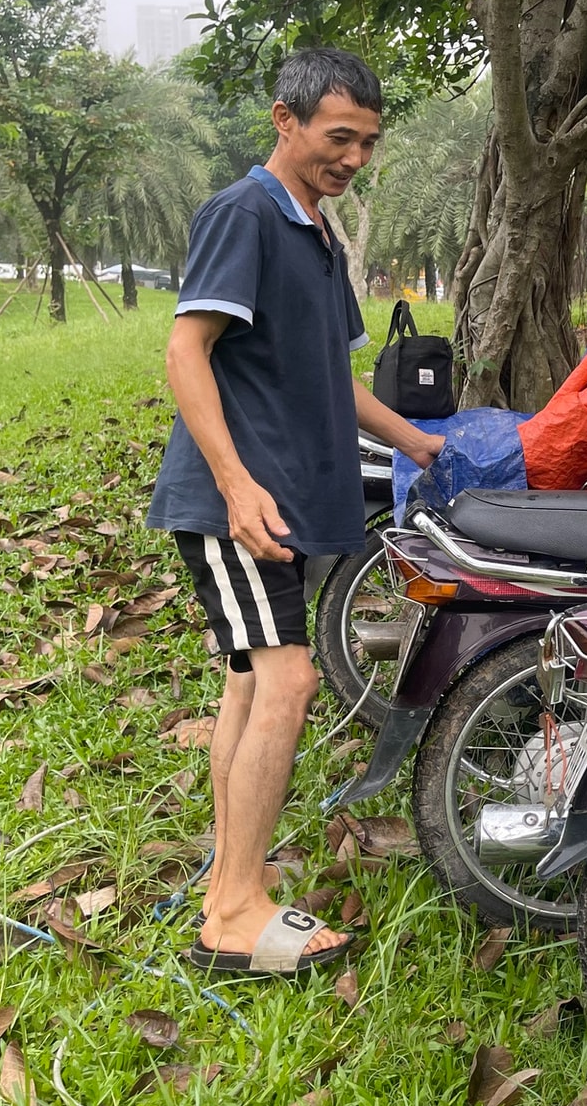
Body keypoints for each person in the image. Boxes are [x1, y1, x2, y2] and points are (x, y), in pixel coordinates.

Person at [147, 48, 447, 976]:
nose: (354, 158)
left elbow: (336, 378)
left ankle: (226, 890)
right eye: (337, 137)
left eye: (368, 142)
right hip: (240, 503)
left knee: (249, 684)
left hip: (283, 504)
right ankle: (236, 911)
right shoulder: (246, 212)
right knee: (288, 682)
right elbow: (185, 352)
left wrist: (424, 444)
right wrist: (237, 485)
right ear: (286, 120)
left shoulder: (316, 231)